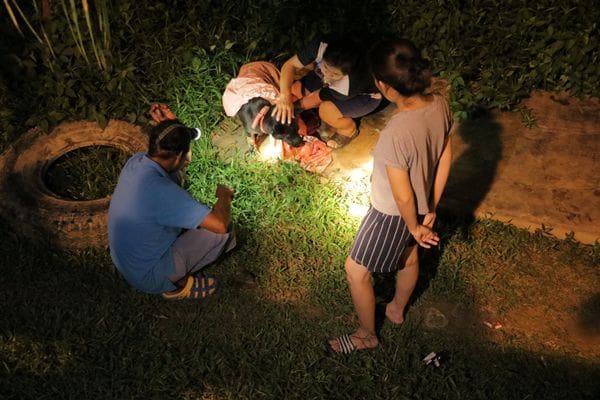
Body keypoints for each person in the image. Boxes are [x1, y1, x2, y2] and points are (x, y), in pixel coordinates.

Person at [328, 38, 453, 353]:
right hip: (424, 204)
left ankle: (366, 335)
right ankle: (396, 308)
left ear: (383, 86)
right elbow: (445, 154)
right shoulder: (439, 103)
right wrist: (432, 207)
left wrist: (414, 225)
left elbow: (403, 197)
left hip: (392, 214)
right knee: (408, 256)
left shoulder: (395, 135)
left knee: (355, 271)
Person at [108, 103, 236, 300]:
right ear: (178, 156)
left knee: (179, 186)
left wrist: (173, 127)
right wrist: (224, 195)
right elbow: (218, 225)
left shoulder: (137, 162)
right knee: (223, 233)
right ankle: (177, 285)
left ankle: (173, 261)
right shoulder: (162, 193)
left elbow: (172, 168)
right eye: (185, 154)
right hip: (149, 275)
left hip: (128, 261)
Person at [272, 34, 383, 149]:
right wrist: (284, 97)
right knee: (294, 90)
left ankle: (348, 130)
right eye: (325, 67)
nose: (327, 76)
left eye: (335, 73)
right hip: (335, 82)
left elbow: (320, 96)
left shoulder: (351, 82)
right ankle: (314, 112)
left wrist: (294, 108)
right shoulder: (320, 46)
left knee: (326, 111)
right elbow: (290, 65)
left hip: (364, 97)